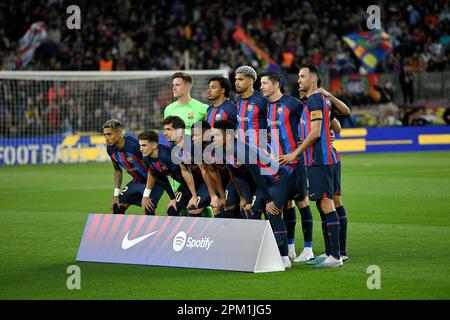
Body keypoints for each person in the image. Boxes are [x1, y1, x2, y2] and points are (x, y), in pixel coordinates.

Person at [280, 64, 343, 268]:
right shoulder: (319, 100)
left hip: (319, 160)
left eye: (302, 76)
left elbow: (315, 133)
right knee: (323, 204)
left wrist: (294, 153)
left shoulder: (316, 98)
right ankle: (331, 253)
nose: (298, 80)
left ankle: (335, 257)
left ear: (313, 79)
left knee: (326, 203)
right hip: (324, 159)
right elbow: (337, 123)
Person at [213, 120, 294, 268]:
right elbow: (236, 175)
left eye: (217, 135)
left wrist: (268, 200)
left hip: (276, 179)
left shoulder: (240, 150)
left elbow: (257, 174)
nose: (214, 139)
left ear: (229, 136)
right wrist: (244, 198)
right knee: (252, 211)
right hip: (262, 182)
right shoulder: (225, 151)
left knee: (272, 212)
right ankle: (260, 254)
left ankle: (284, 257)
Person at [259, 71, 314, 262]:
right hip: (276, 165)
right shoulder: (265, 107)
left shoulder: (293, 104)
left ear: (276, 84)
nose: (261, 86)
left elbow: (312, 122)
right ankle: (289, 247)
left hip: (294, 163)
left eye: (265, 83)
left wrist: (329, 129)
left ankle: (308, 248)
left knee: (302, 202)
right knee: (285, 204)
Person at [139, 129, 199, 216]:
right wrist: (172, 198)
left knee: (193, 208)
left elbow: (181, 176)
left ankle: (202, 213)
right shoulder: (146, 160)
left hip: (194, 181)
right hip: (183, 183)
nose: (141, 149)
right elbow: (162, 179)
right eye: (140, 145)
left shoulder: (166, 156)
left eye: (144, 145)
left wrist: (191, 197)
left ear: (154, 145)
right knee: (172, 210)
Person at [103, 119, 149, 215]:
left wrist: (147, 193)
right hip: (137, 181)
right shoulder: (110, 149)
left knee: (148, 208)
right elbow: (117, 170)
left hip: (152, 181)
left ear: (119, 133)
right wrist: (116, 195)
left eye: (109, 134)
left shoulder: (134, 146)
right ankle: (120, 230)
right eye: (105, 135)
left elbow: (152, 167)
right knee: (117, 206)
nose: (106, 138)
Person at [234, 65, 268, 147]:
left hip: (259, 151)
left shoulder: (262, 100)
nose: (236, 82)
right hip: (242, 150)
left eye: (240, 79)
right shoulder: (238, 100)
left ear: (250, 81)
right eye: (236, 79)